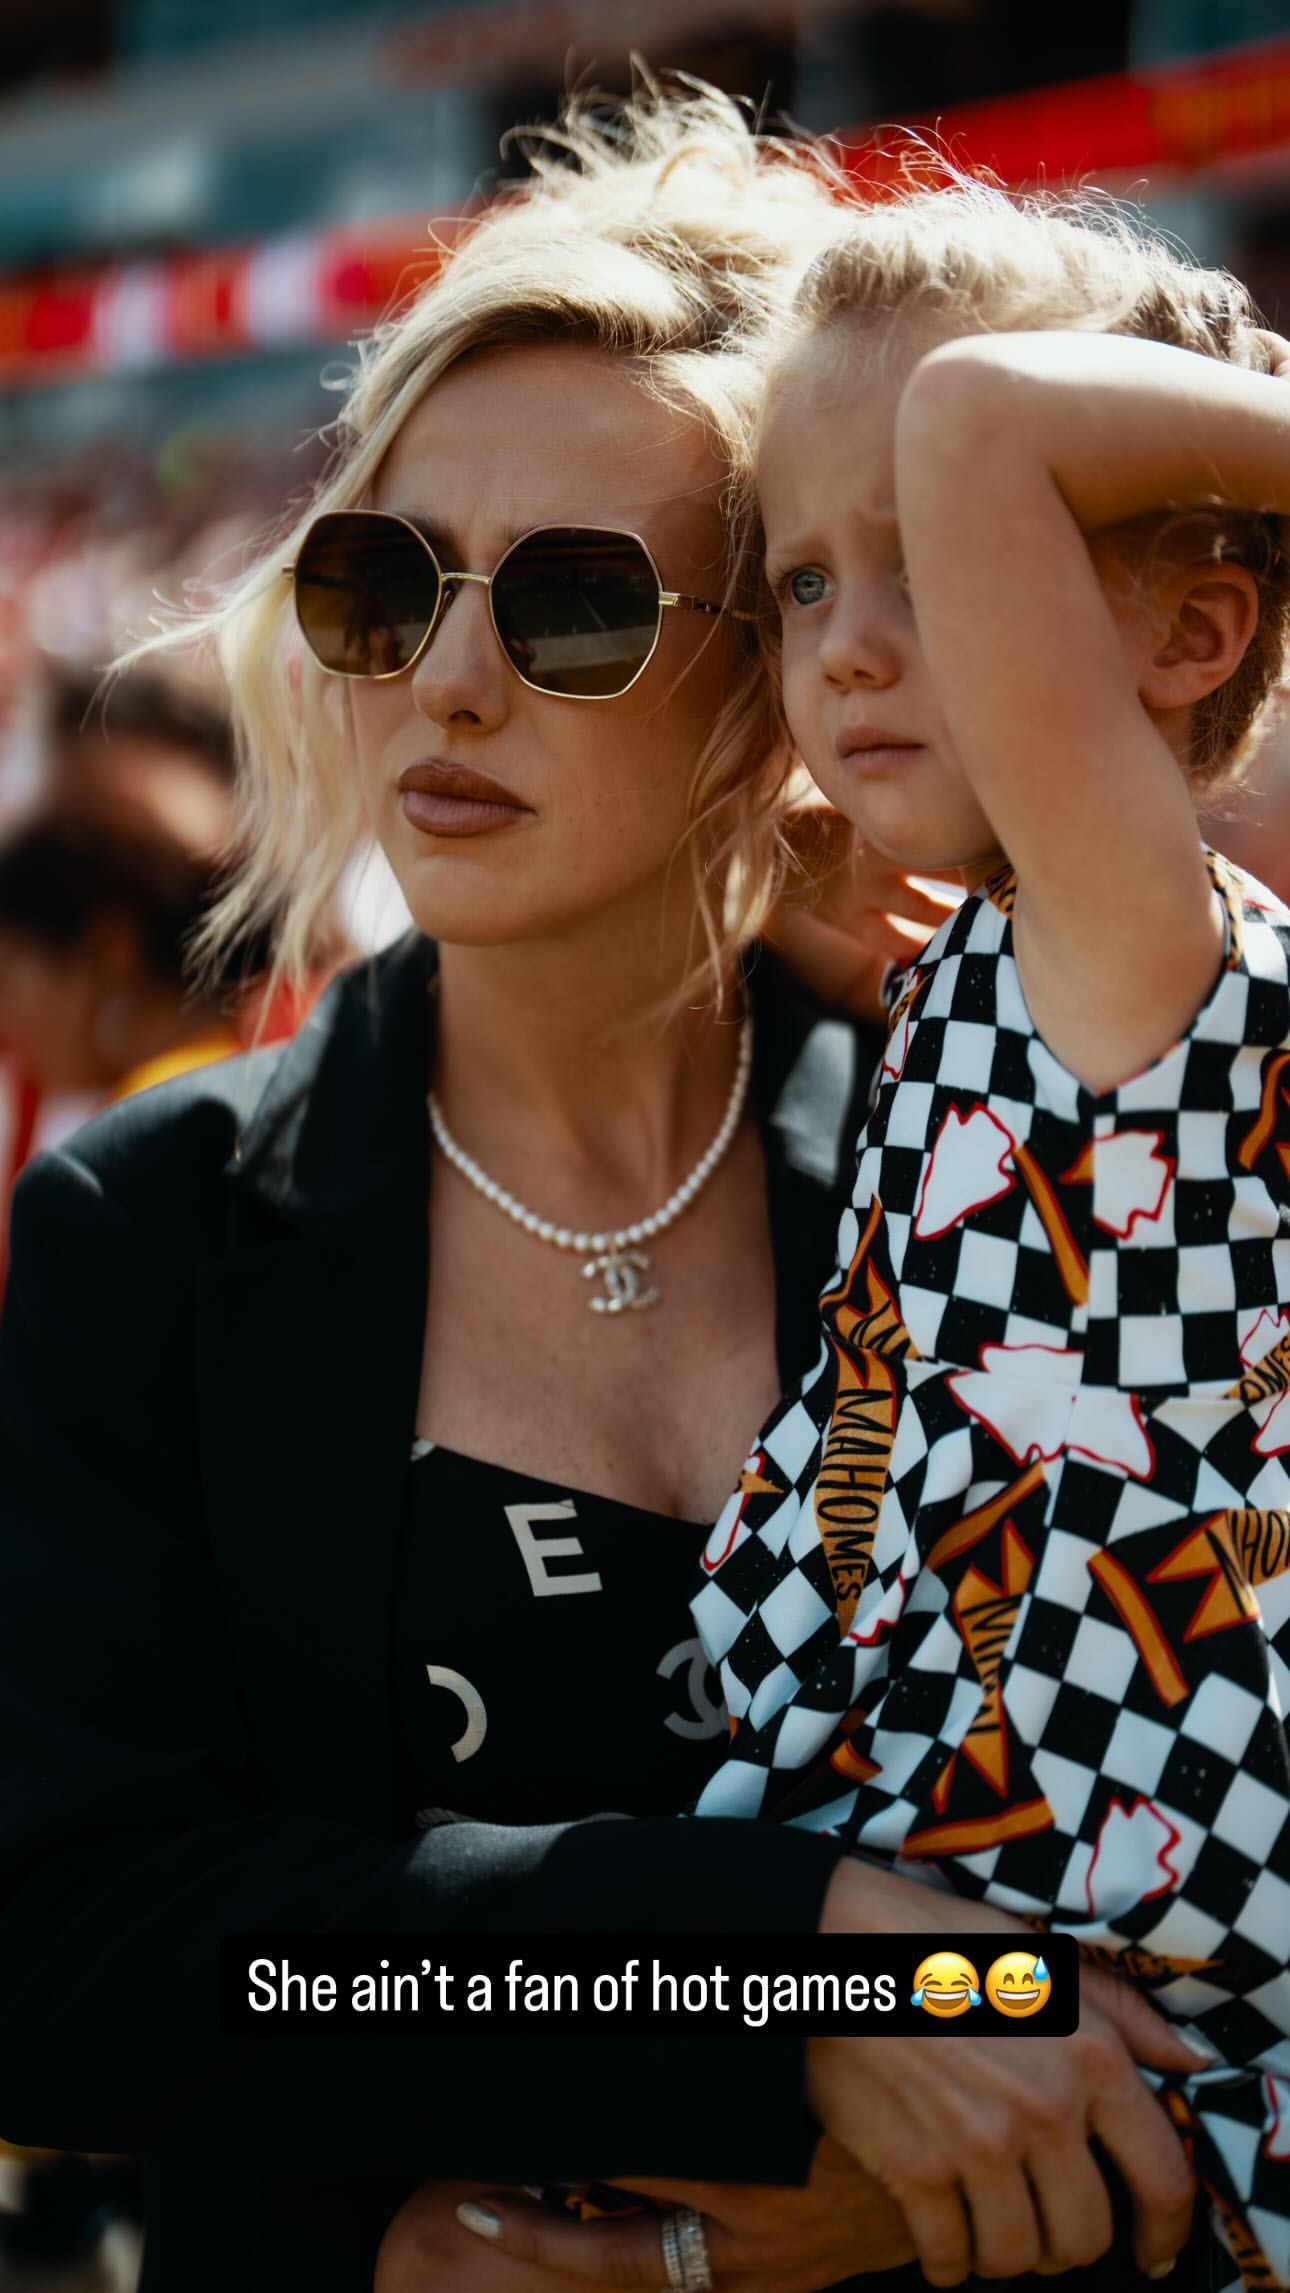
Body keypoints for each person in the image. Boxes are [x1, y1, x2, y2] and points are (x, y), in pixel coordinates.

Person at [0, 90, 1202, 2293]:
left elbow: (1157, 1870)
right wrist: (769, 1970)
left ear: (775, 680)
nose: (448, 677)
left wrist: (873, 2095)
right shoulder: (149, 1234)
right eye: (384, 583)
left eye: (570, 605)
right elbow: (81, 1954)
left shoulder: (1000, 1160)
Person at [617, 176, 1290, 2292]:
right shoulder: (1004, 963)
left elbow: (989, 409)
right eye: (805, 579)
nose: (849, 646)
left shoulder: (1137, 944)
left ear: (1188, 634)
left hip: (1131, 2011)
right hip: (949, 1913)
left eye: (930, 557)